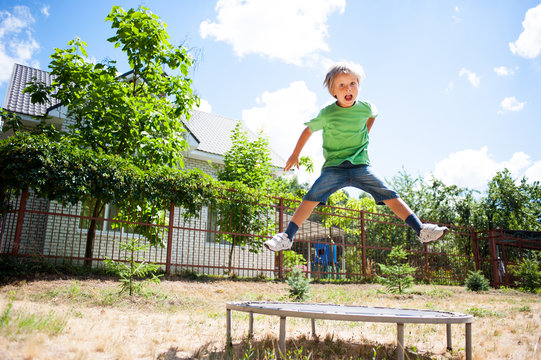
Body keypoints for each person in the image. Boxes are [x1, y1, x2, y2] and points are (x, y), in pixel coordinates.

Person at [264, 62, 448, 252]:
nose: (348, 88)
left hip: (360, 166)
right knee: (311, 196)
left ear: (359, 86)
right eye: (342, 85)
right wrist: (295, 154)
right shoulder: (327, 113)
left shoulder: (365, 108)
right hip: (334, 167)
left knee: (388, 193)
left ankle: (421, 229)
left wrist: (365, 133)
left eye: (352, 83)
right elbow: (308, 130)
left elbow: (373, 114)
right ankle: (287, 237)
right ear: (333, 91)